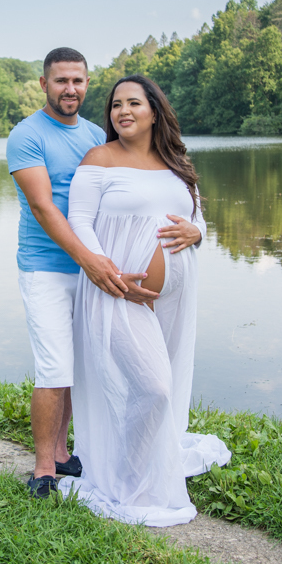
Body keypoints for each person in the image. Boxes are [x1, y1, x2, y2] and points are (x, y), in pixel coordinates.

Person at [57, 74, 231, 527]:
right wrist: (107, 272)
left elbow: (198, 220)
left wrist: (197, 233)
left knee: (166, 381)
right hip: (118, 291)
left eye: (133, 103)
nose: (123, 111)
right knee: (154, 388)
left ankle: (144, 463)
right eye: (116, 105)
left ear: (154, 110)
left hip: (175, 296)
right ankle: (130, 482)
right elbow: (80, 222)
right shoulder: (100, 159)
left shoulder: (176, 162)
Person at [6, 48, 159, 498]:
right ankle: (43, 470)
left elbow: (132, 190)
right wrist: (90, 260)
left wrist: (191, 226)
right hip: (46, 269)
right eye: (61, 80)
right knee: (54, 368)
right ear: (44, 84)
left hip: (94, 270)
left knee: (79, 368)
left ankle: (61, 452)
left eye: (77, 80)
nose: (69, 89)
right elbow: (44, 207)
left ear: (88, 83)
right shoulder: (27, 135)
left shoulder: (96, 135)